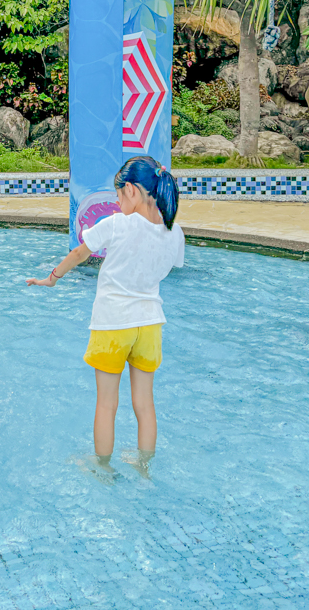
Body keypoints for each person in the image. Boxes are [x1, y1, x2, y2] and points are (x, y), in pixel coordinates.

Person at [27, 156, 183, 476]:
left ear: (131, 191)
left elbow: (79, 253)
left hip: (113, 323)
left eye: (118, 195)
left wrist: (52, 278)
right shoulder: (174, 233)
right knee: (144, 403)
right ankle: (143, 467)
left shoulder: (116, 224)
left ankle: (102, 467)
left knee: (107, 404)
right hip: (150, 325)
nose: (116, 201)